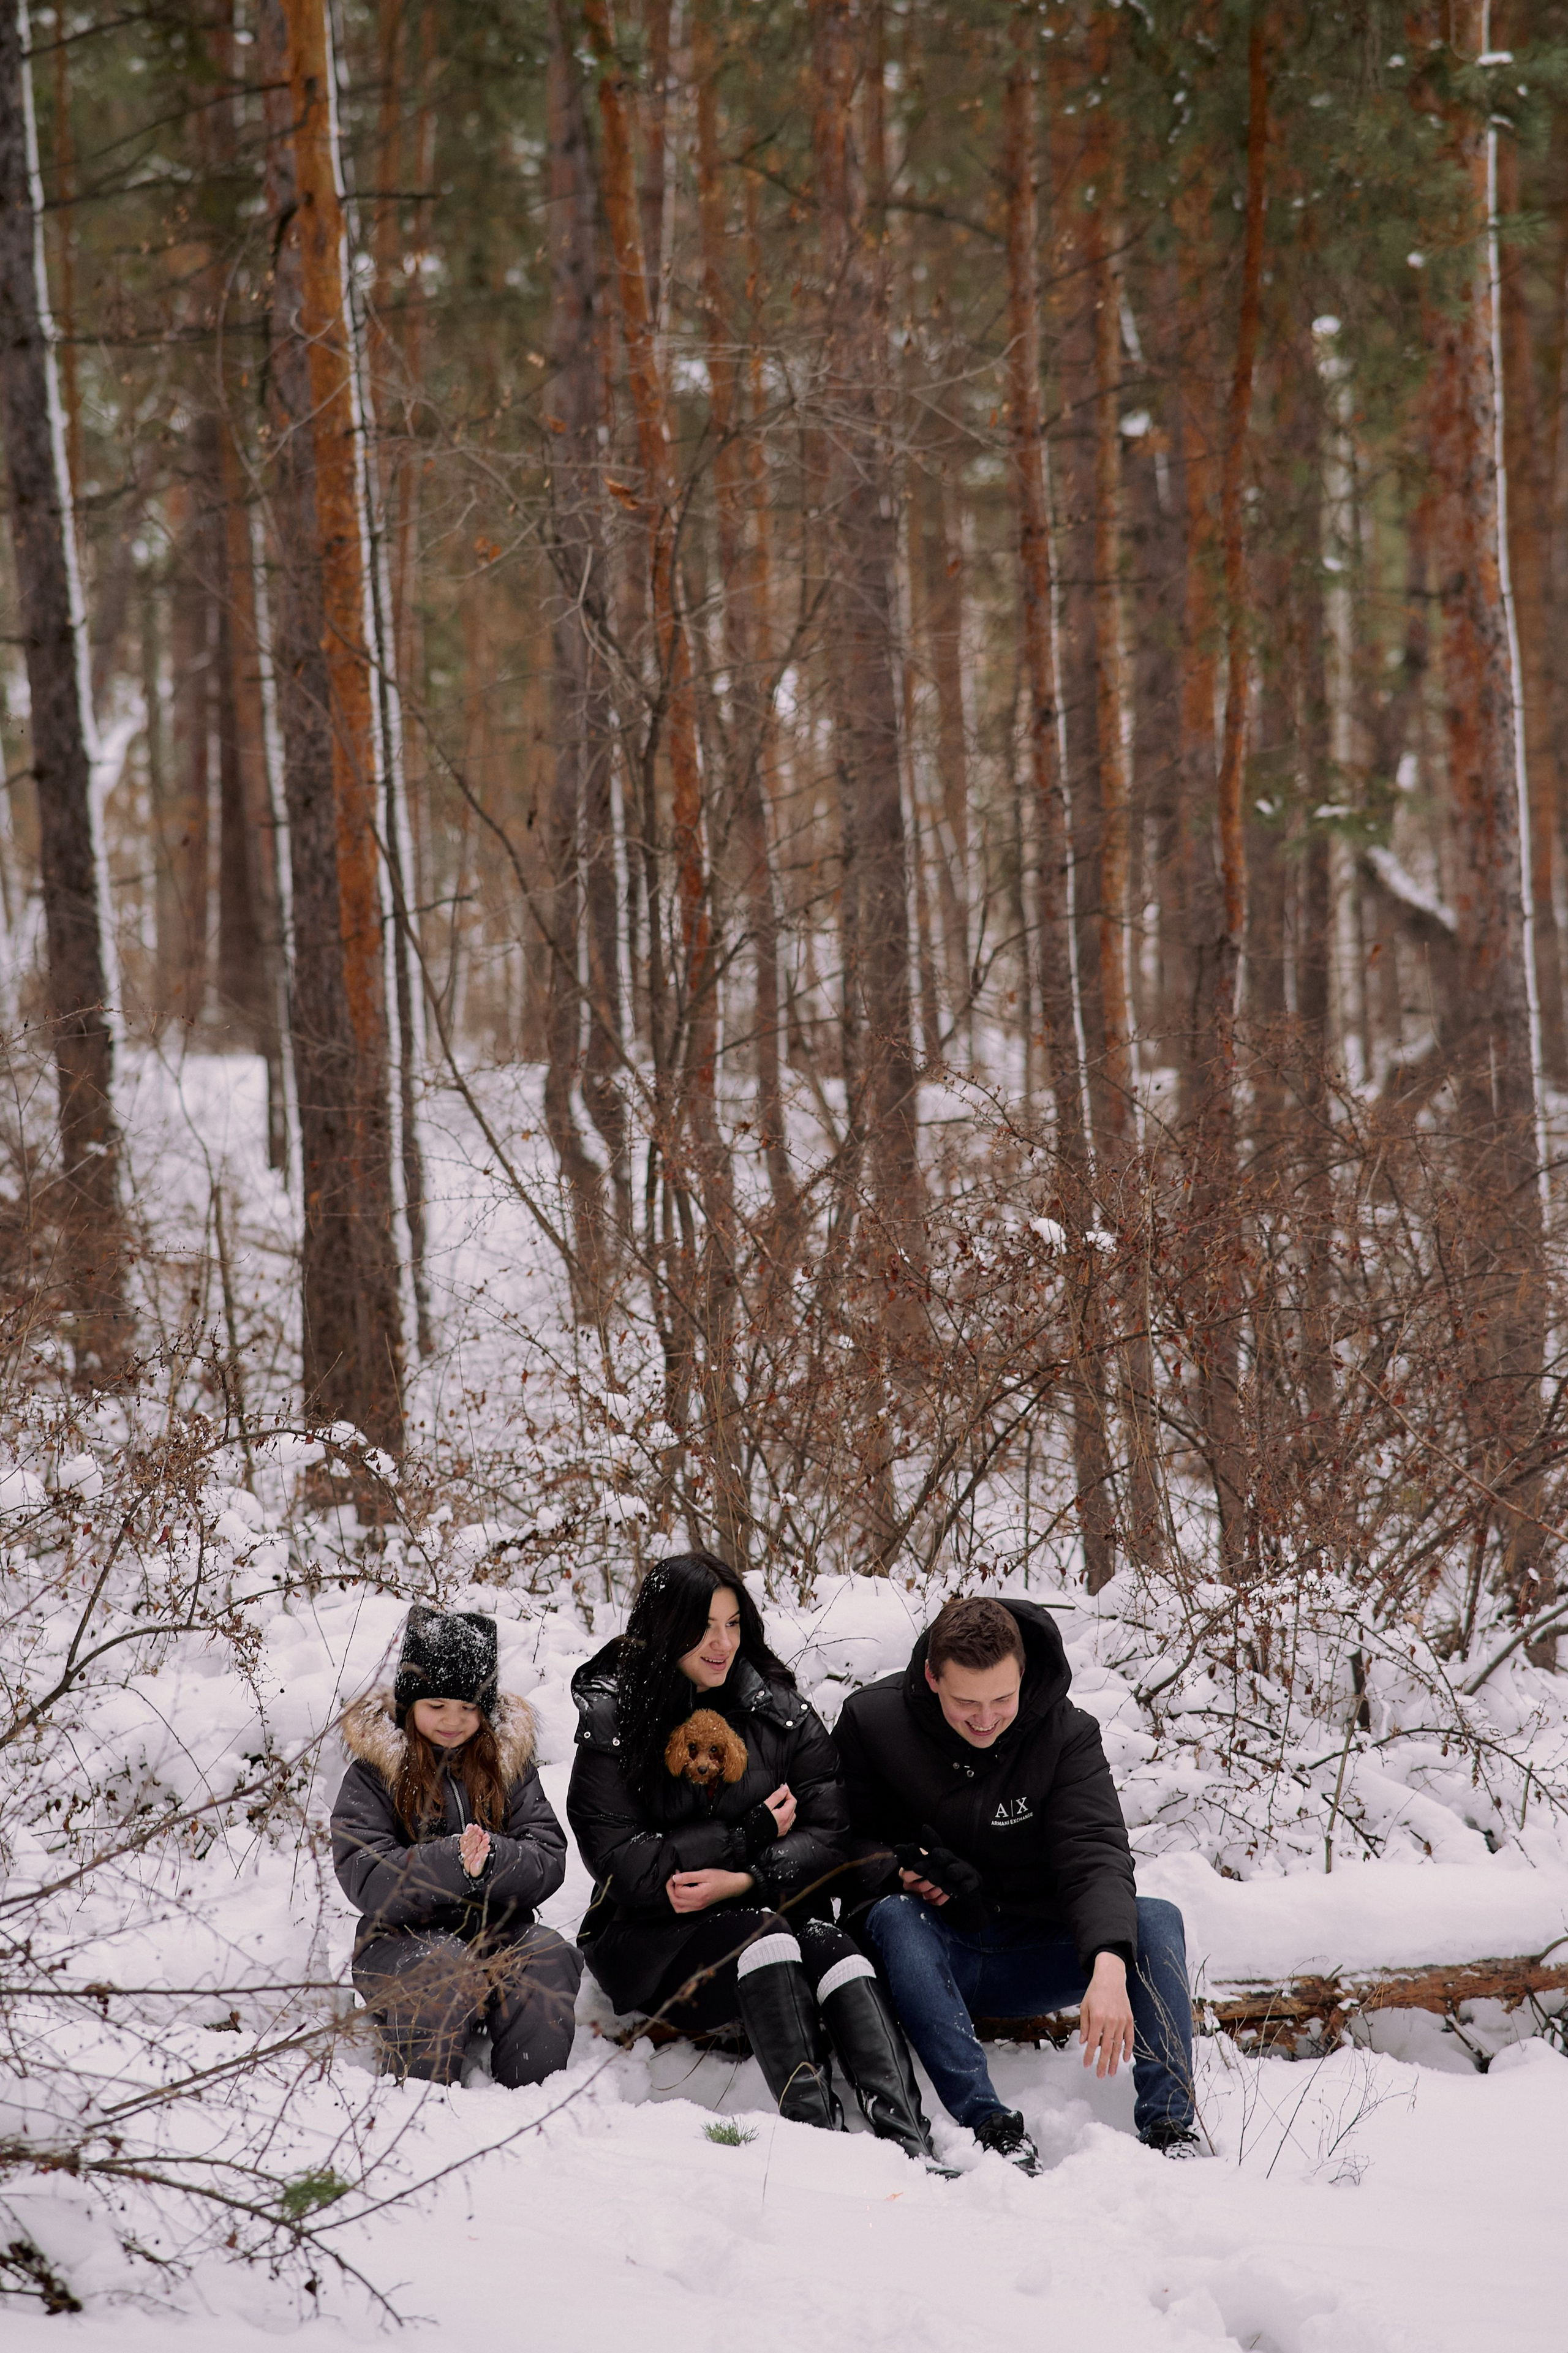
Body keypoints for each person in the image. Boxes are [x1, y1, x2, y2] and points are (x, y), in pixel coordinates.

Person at [568, 1551, 944, 2167]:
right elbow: (625, 1864)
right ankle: (817, 2138)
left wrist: (746, 1876)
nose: (722, 1643)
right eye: (704, 1626)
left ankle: (909, 2141)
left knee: (830, 1941)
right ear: (665, 1626)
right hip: (654, 1941)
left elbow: (829, 1831)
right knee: (765, 1933)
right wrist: (745, 1833)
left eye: (734, 1623)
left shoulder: (779, 1711)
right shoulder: (615, 1719)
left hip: (766, 1909)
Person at [836, 1593, 1201, 2172]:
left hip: (1035, 1949)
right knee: (894, 1917)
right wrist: (898, 1870)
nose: (985, 1718)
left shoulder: (1067, 1735)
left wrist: (1109, 1959)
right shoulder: (871, 1721)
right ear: (932, 1676)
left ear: (1023, 1674)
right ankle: (988, 2125)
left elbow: (1095, 1853)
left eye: (1002, 1699)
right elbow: (839, 1840)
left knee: (1155, 1921)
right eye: (966, 1703)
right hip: (933, 1952)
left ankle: (1170, 2127)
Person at [331, 1605, 582, 2087]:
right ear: (410, 1704)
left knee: (548, 1956)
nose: (453, 1721)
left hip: (497, 1936)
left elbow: (548, 1855)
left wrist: (492, 1862)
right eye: (437, 1706)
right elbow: (365, 1874)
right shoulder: (375, 1775)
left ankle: (533, 2101)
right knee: (441, 1967)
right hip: (401, 1945)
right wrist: (452, 1863)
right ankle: (420, 2101)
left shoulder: (507, 1768)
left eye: (468, 1708)